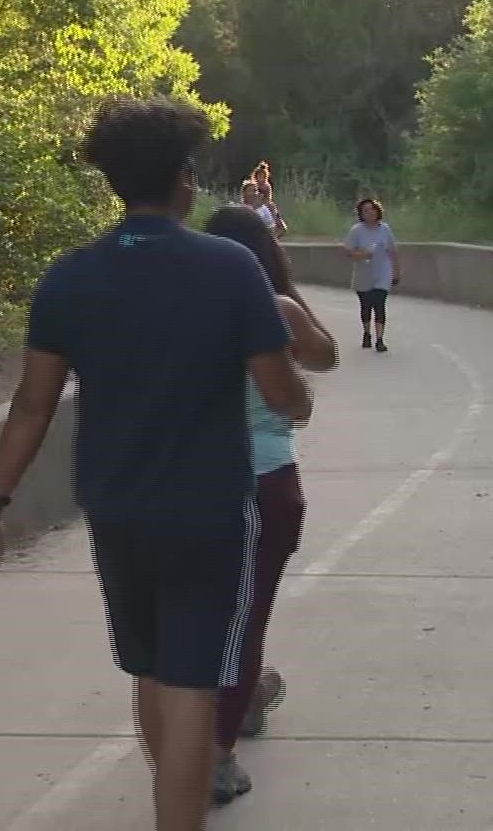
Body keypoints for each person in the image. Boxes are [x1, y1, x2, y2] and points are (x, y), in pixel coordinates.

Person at [0, 96, 312, 831]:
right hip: (210, 508)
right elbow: (283, 392)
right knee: (192, 683)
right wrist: (302, 397)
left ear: (116, 181)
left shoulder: (69, 277)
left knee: (150, 671)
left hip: (117, 509)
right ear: (185, 177)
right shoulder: (230, 269)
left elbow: (31, 405)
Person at [200, 203, 338, 805]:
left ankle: (246, 694)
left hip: (182, 480)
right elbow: (325, 356)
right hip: (260, 476)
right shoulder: (274, 310)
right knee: (244, 614)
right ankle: (215, 750)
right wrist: (286, 290)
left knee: (202, 609)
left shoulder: (176, 313)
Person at [344, 197, 398, 352]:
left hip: (382, 273)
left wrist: (396, 271)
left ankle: (380, 339)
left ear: (378, 211)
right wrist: (361, 254)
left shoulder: (385, 229)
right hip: (364, 274)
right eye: (365, 211)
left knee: (379, 304)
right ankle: (367, 333)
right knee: (366, 306)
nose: (370, 213)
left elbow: (393, 251)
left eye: (372, 209)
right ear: (361, 214)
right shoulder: (356, 230)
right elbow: (348, 251)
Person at [249, 162, 289, 239]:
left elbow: (268, 198)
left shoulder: (266, 186)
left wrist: (265, 204)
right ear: (255, 176)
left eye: (262, 176)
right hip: (255, 204)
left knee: (275, 218)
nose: (260, 178)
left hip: (265, 203)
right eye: (259, 176)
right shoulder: (253, 185)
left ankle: (274, 235)